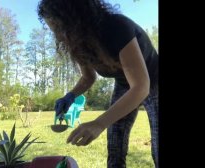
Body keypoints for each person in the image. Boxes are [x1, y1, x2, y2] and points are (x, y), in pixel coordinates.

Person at [37, 0, 158, 167]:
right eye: (54, 31)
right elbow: (88, 78)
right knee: (115, 141)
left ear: (76, 19)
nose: (58, 37)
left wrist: (99, 123)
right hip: (124, 84)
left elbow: (141, 86)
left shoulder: (116, 27)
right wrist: (70, 96)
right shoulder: (79, 44)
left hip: (154, 79)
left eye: (59, 29)